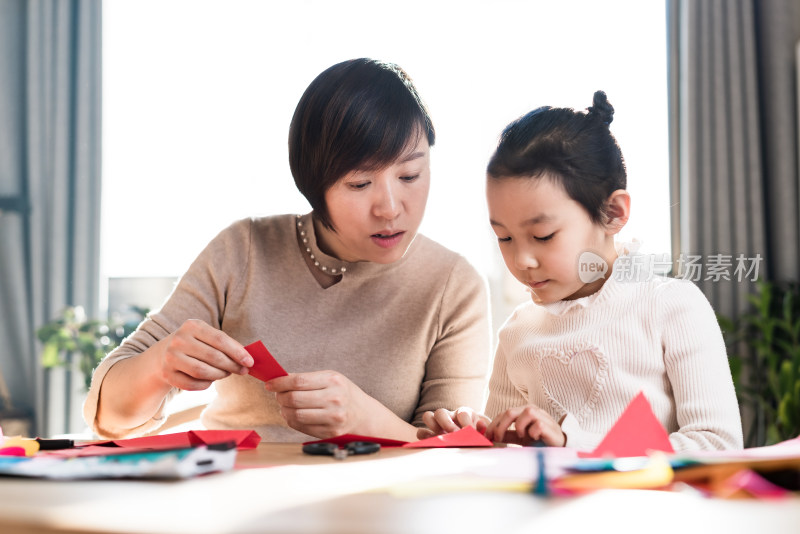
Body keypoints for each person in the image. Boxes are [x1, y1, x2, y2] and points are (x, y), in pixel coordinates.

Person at [83, 58, 492, 442]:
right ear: (314, 183)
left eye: (410, 174)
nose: (389, 207)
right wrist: (158, 366)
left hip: (376, 510)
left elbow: (453, 449)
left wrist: (366, 420)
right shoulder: (243, 251)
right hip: (232, 501)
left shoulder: (453, 285)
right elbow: (106, 419)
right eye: (359, 184)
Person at [419, 91, 743, 451]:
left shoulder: (671, 306)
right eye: (504, 237)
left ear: (613, 213)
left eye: (543, 235)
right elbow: (508, 455)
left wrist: (572, 441)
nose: (522, 260)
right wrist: (473, 435)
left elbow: (718, 445)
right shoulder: (518, 332)